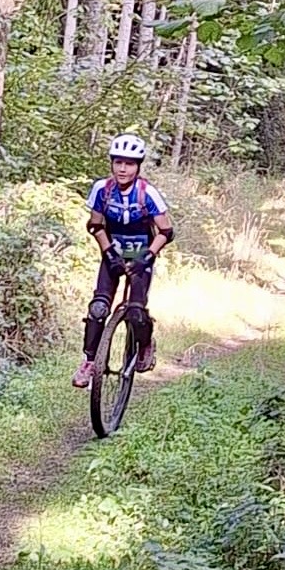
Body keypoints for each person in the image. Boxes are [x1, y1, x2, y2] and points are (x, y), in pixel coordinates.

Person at [71, 134, 175, 388]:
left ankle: (145, 342)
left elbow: (166, 231)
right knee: (97, 309)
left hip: (141, 254)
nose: (122, 168)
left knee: (136, 311)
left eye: (129, 164)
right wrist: (108, 253)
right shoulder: (102, 190)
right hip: (113, 252)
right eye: (118, 162)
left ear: (138, 166)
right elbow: (95, 226)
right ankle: (89, 361)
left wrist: (146, 257)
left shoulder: (147, 193)